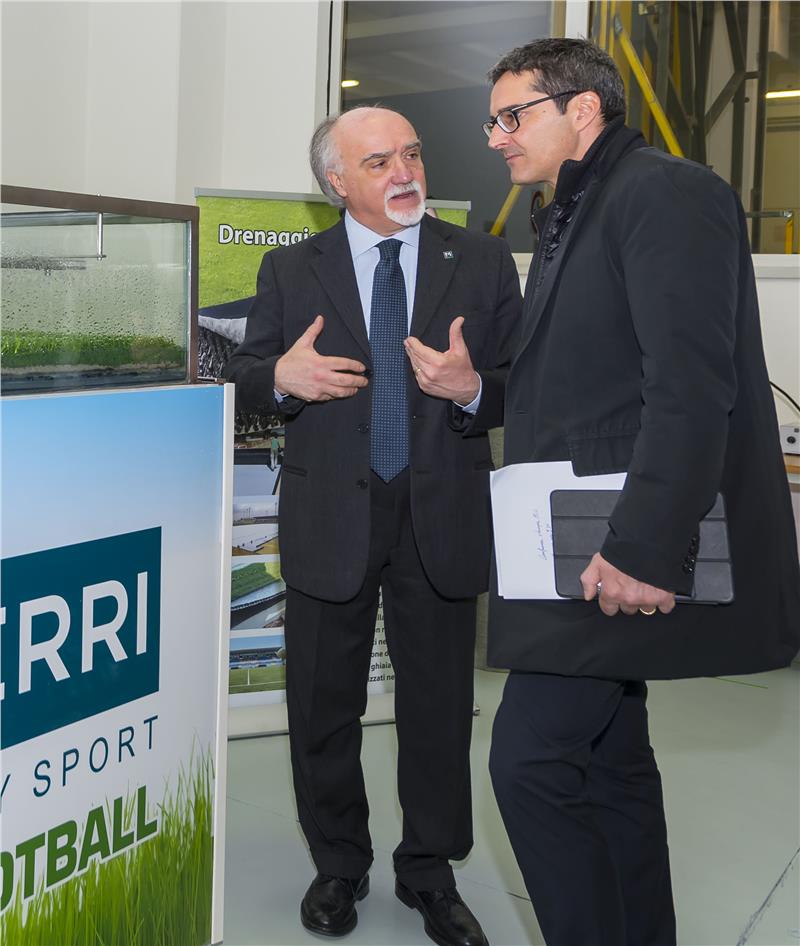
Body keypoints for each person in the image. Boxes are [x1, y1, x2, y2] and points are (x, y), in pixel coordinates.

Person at [482, 38, 800, 946]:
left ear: (582, 108)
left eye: (513, 116)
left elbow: (692, 388)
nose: (496, 138)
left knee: (531, 764)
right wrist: (478, 386)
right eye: (492, 122)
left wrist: (645, 547)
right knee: (609, 762)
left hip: (619, 541)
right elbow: (592, 377)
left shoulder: (664, 192)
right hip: (582, 535)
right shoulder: (576, 206)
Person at [225, 105, 520, 945]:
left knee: (438, 707)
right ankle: (339, 863)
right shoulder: (292, 269)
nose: (405, 173)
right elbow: (246, 374)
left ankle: (430, 870)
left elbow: (525, 381)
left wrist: (471, 388)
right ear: (337, 181)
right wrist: (280, 379)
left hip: (441, 514)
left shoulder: (483, 260)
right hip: (330, 514)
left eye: (413, 155)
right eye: (380, 161)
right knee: (323, 705)